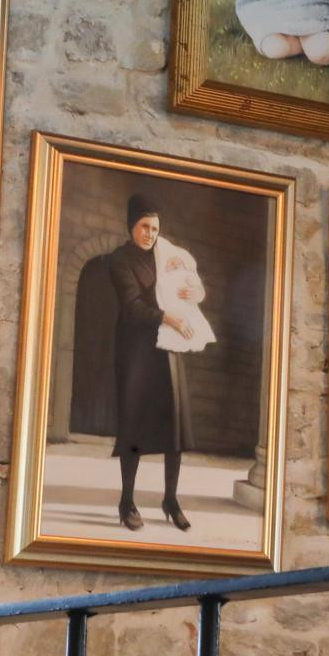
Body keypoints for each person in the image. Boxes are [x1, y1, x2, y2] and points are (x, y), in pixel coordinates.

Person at [107, 194, 195, 531]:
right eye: (144, 226)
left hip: (168, 350)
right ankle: (126, 501)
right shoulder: (119, 260)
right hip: (136, 352)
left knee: (175, 426)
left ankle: (170, 499)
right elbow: (131, 307)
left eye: (155, 229)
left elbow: (183, 285)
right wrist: (166, 316)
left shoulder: (165, 256)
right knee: (134, 427)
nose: (150, 234)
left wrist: (189, 295)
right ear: (131, 225)